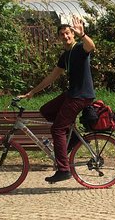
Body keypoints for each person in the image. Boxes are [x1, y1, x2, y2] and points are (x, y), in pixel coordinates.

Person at [21, 15, 96, 183]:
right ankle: (74, 138)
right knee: (46, 110)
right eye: (62, 34)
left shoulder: (79, 49)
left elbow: (91, 46)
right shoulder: (65, 56)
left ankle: (63, 169)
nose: (66, 36)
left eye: (68, 33)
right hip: (72, 94)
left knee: (57, 129)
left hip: (81, 95)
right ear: (58, 37)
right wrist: (32, 92)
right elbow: (51, 77)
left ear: (73, 34)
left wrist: (82, 34)